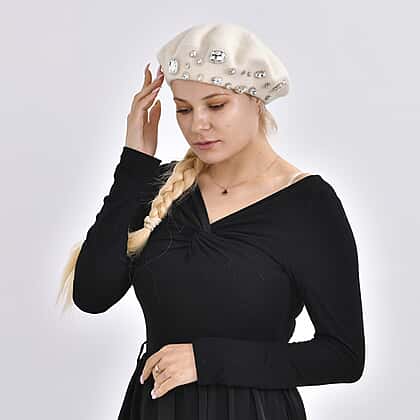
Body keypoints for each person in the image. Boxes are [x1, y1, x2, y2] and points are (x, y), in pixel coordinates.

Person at [57, 23, 365, 420]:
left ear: (256, 100)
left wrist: (206, 361)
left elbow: (343, 356)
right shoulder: (158, 187)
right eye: (183, 109)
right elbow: (92, 295)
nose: (197, 124)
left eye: (216, 105)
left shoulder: (308, 205)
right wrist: (134, 165)